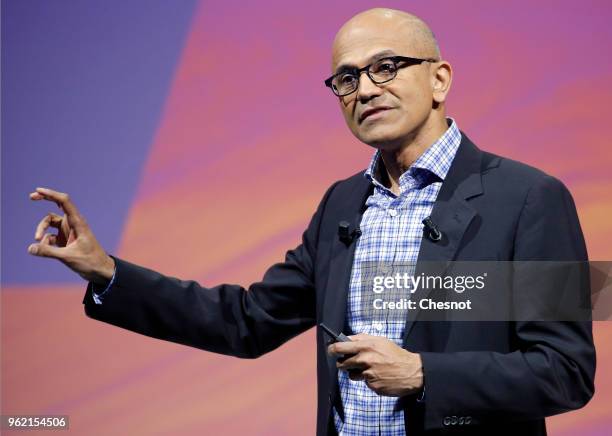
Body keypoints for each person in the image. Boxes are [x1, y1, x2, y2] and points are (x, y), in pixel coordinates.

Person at [28, 8, 595, 436]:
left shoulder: (528, 198)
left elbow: (565, 371)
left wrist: (424, 374)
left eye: (387, 67)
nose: (366, 88)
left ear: (440, 79)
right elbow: (246, 321)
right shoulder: (342, 205)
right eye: (346, 79)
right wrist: (106, 272)